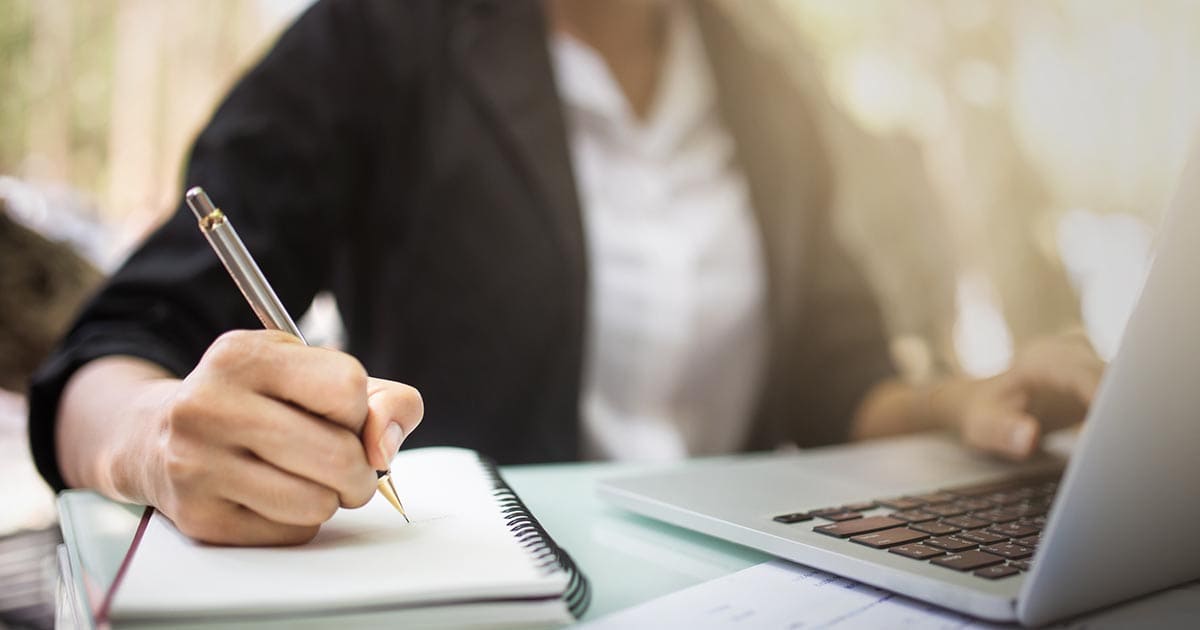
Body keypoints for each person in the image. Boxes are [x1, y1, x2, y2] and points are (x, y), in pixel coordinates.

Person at [29, 0, 1101, 546]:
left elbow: (835, 376)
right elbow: (113, 350)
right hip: (474, 588)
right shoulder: (382, 40)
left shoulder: (767, 80)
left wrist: (959, 406)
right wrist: (154, 445)